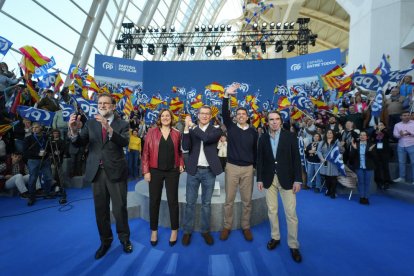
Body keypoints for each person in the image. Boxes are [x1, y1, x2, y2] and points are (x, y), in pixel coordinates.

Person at [68, 93, 133, 259]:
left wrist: (109, 128)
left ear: (112, 106)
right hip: (96, 173)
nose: (102, 105)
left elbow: (125, 142)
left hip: (116, 172)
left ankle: (124, 240)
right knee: (101, 210)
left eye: (106, 103)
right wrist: (74, 131)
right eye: (100, 103)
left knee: (119, 209)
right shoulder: (90, 123)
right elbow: (79, 142)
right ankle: (105, 241)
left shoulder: (123, 124)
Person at [256, 110, 302, 263]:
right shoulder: (262, 138)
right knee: (272, 211)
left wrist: (298, 180)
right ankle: (275, 237)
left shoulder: (290, 136)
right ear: (267, 122)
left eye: (277, 119)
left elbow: (296, 158)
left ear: (281, 121)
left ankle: (293, 245)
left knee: (291, 213)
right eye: (271, 119)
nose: (274, 122)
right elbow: (260, 159)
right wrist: (259, 179)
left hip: (288, 180)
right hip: (269, 180)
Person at [220, 83, 258, 242]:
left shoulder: (253, 132)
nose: (241, 115)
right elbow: (224, 112)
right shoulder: (231, 127)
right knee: (229, 200)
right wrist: (226, 95)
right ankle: (227, 226)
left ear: (248, 117)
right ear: (236, 117)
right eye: (239, 114)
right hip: (232, 168)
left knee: (247, 201)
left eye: (244, 113)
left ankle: (246, 226)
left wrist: (254, 167)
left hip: (248, 169)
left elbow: (256, 152)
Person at [141, 109, 184, 247]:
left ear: (171, 118)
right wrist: (146, 171)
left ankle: (174, 230)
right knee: (154, 201)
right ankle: (154, 231)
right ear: (160, 118)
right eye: (163, 116)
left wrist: (181, 163)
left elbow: (180, 152)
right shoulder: (151, 132)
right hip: (155, 171)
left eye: (168, 115)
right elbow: (145, 153)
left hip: (172, 171)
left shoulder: (177, 134)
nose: (165, 118)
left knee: (173, 201)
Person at [181, 106, 223, 246]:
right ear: (197, 115)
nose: (204, 116)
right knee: (190, 203)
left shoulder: (216, 130)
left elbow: (205, 138)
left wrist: (192, 125)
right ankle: (187, 231)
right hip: (193, 170)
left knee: (206, 203)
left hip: (209, 171)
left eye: (207, 114)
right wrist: (186, 128)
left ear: (210, 116)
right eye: (202, 113)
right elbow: (186, 146)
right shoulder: (191, 129)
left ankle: (205, 231)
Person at [24, 122, 55, 206]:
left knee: (48, 177)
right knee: (33, 179)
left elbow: (49, 147)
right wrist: (37, 153)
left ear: (41, 128)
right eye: (33, 127)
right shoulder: (28, 138)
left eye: (36, 127)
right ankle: (32, 197)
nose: (34, 129)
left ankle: (47, 193)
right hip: (33, 161)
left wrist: (47, 153)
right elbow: (25, 152)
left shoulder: (45, 137)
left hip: (45, 160)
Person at [349, 131, 376, 205]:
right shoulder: (355, 145)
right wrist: (354, 149)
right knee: (360, 182)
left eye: (364, 135)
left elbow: (374, 157)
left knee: (367, 183)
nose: (362, 136)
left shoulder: (371, 145)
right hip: (359, 167)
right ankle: (361, 197)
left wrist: (370, 151)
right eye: (361, 135)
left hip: (369, 167)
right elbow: (351, 157)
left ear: (367, 137)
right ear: (359, 137)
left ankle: (366, 197)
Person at [317, 129, 341, 199]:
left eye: (331, 133)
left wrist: (341, 147)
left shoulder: (337, 142)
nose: (329, 134)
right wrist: (321, 158)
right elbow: (318, 151)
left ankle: (333, 192)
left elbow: (340, 151)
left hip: (334, 162)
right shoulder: (322, 142)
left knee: (333, 178)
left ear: (333, 134)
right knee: (327, 177)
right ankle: (329, 190)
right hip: (325, 162)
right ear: (326, 134)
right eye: (328, 133)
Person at [392, 111, 414, 184]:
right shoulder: (397, 125)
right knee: (401, 162)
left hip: (412, 145)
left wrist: (410, 133)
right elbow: (395, 135)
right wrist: (400, 135)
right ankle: (402, 178)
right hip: (401, 145)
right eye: (404, 115)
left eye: (408, 115)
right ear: (401, 117)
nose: (407, 116)